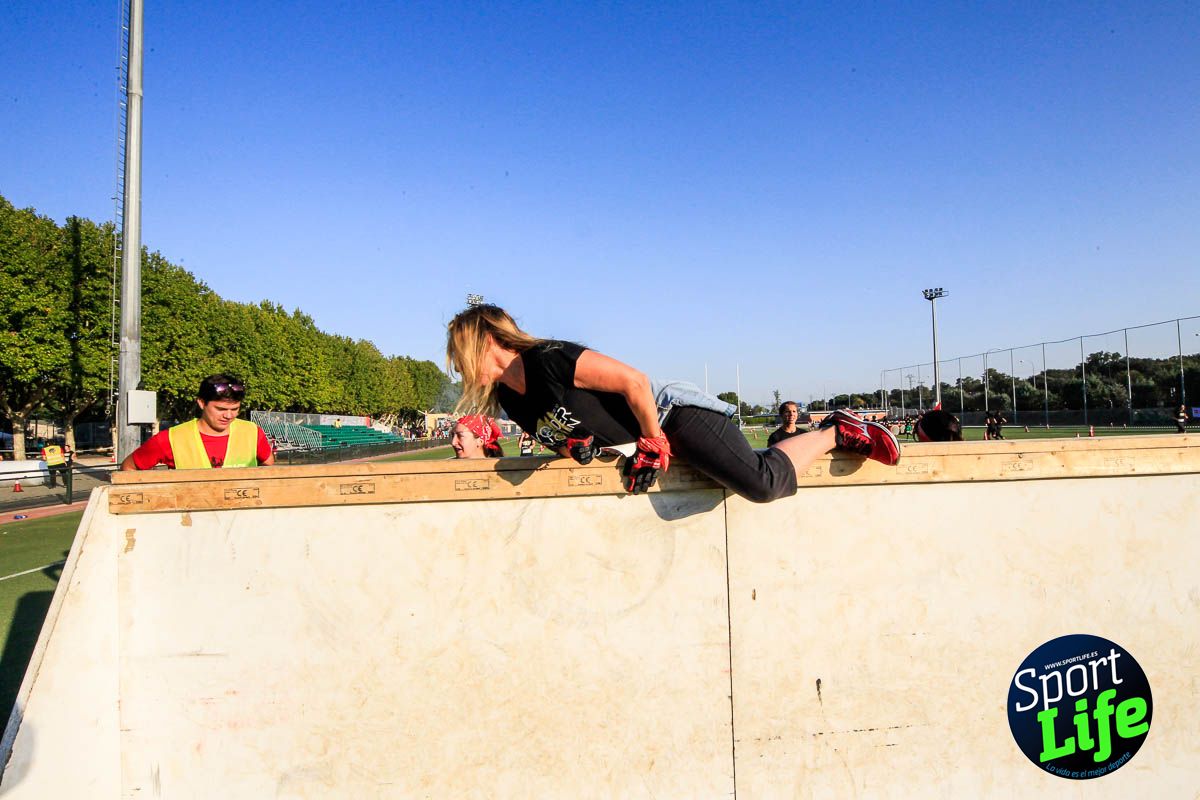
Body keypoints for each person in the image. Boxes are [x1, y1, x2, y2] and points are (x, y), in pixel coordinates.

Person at [444, 305, 899, 503]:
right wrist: (575, 448)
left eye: (460, 354)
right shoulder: (510, 399)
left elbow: (635, 382)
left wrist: (652, 438)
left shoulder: (548, 359)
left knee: (760, 485)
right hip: (643, 441)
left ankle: (835, 431)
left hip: (669, 415)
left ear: (486, 340)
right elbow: (559, 439)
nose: (459, 369)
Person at [120, 374, 275, 470]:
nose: (229, 415)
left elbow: (268, 465)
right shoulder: (171, 438)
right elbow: (128, 468)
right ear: (201, 403)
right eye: (220, 409)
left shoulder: (252, 432)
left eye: (235, 409)